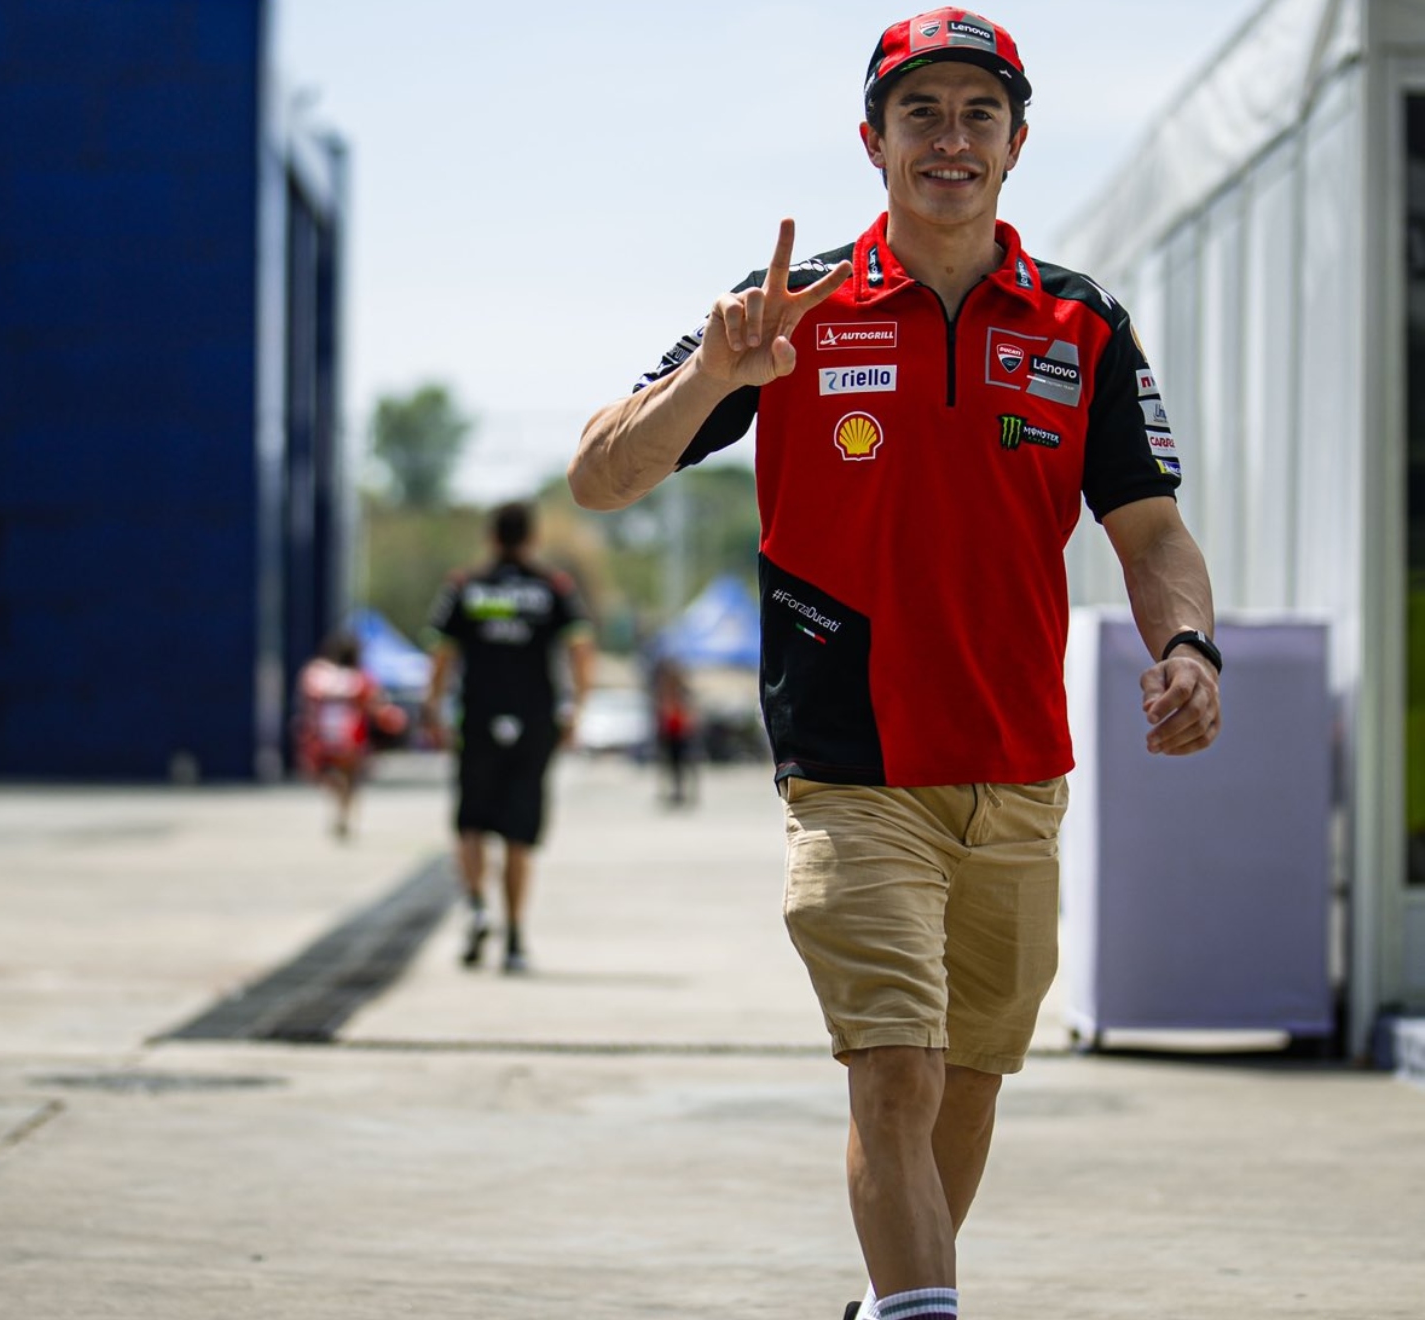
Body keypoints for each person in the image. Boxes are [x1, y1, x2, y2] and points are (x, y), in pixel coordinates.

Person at [566, 10, 1221, 1320]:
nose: (951, 139)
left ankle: (888, 1304)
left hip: (1020, 772)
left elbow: (1148, 529)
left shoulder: (1082, 325)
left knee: (969, 1078)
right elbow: (601, 478)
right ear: (873, 141)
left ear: (1018, 143)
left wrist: (1190, 643)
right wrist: (715, 371)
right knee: (898, 1072)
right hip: (854, 770)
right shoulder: (790, 310)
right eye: (921, 113)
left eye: (980, 114)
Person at [423, 501, 595, 975]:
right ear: (531, 538)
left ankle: (477, 905)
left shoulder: (465, 586)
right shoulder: (553, 587)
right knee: (520, 832)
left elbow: (441, 654)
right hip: (534, 723)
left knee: (470, 823)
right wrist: (575, 706)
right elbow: (581, 650)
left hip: (476, 720)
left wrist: (433, 709)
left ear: (492, 538)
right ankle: (516, 936)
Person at [294, 630, 385, 839]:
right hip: (352, 733)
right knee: (351, 779)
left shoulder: (317, 673)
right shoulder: (361, 678)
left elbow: (308, 701)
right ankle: (345, 814)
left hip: (325, 733)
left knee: (331, 776)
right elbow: (373, 704)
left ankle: (340, 812)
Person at [650, 656, 698, 807]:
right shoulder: (663, 689)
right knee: (669, 764)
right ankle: (673, 792)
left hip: (681, 732)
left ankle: (684, 792)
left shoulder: (681, 690)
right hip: (669, 732)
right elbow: (660, 711)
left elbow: (690, 710)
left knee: (684, 764)